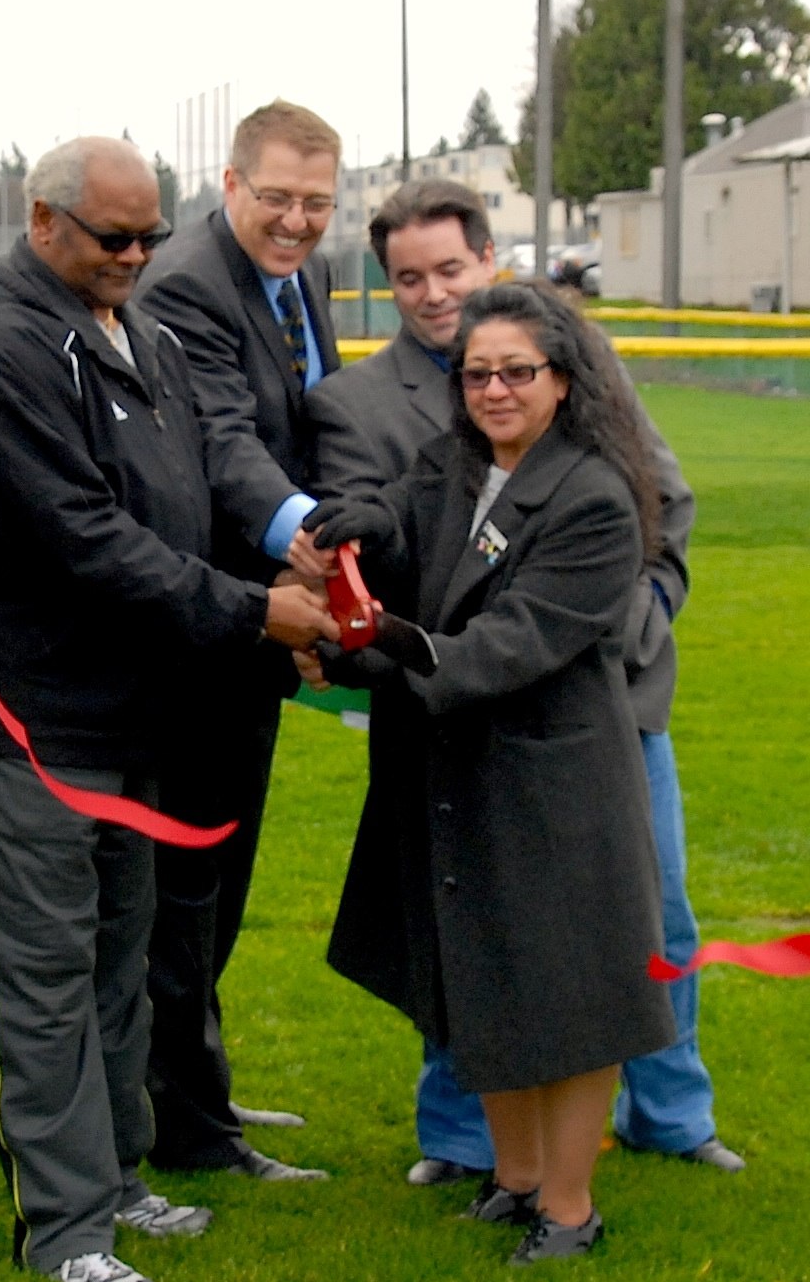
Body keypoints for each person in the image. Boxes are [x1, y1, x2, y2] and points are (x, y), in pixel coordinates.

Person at [0, 137, 336, 1282]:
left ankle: (117, 1172)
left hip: (136, 717)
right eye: (114, 237)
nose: (139, 256)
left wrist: (289, 558)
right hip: (31, 723)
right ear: (43, 219)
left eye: (151, 233)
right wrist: (254, 612)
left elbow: (198, 481)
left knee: (115, 967)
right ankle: (60, 1230)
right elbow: (86, 541)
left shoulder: (136, 328)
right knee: (39, 980)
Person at [312, 180, 742, 1189]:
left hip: (587, 702)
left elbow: (657, 511)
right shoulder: (368, 407)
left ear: (490, 261)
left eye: (449, 270)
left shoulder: (585, 381)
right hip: (450, 720)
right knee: (471, 927)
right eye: (408, 276)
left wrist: (624, 622)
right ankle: (481, 1156)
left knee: (634, 924)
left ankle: (665, 1118)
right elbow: (388, 509)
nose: (431, 292)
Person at [304, 282, 671, 1263]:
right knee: (482, 974)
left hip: (554, 782)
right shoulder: (458, 465)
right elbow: (396, 513)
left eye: (518, 371)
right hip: (455, 766)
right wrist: (352, 539)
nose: (496, 390)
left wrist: (368, 638)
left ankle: (568, 1208)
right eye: (478, 374)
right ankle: (513, 1180)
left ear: (563, 381)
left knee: (571, 995)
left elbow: (503, 647)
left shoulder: (594, 497)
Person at [127, 100, 345, 1182]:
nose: (296, 222)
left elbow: (318, 425)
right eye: (277, 199)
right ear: (228, 183)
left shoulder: (299, 282)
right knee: (188, 884)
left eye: (316, 203)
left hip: (259, 627)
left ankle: (193, 1081)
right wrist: (310, 536)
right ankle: (189, 1127)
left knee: (222, 876)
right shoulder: (186, 286)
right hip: (196, 630)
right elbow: (221, 440)